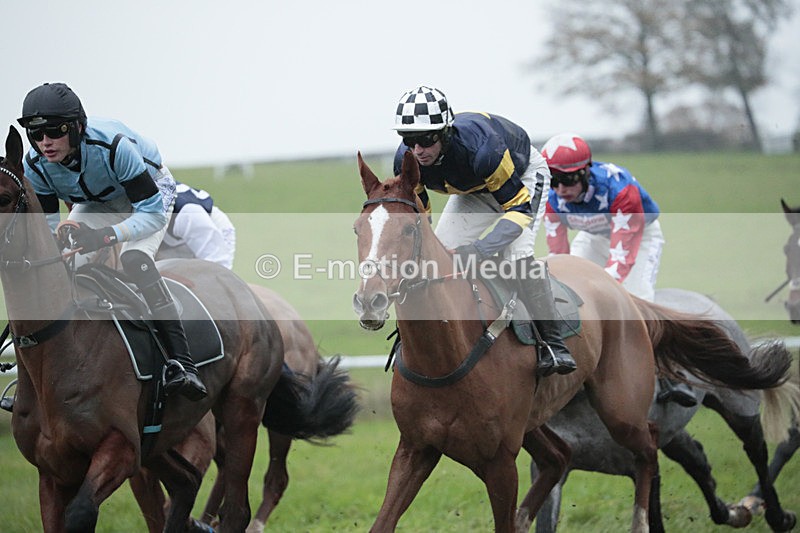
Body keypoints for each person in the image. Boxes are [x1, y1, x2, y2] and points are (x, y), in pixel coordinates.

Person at [16, 82, 206, 401]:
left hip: (149, 196)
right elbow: (48, 231)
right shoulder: (34, 165)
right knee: (59, 265)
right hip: (98, 200)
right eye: (36, 134)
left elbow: (152, 215)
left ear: (76, 127)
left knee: (135, 260)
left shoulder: (114, 147)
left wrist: (105, 236)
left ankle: (183, 365)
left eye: (54, 131)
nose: (45, 142)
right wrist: (59, 247)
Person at [392, 85, 575, 376]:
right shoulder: (407, 160)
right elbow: (421, 217)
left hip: (521, 178)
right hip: (474, 189)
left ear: (445, 133)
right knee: (438, 258)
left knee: (515, 257)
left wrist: (480, 250)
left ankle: (554, 344)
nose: (417, 150)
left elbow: (519, 209)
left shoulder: (484, 151)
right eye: (408, 140)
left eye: (425, 139)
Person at [540, 132, 696, 406]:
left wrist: (603, 293)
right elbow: (558, 255)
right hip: (593, 237)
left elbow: (620, 260)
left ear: (586, 172)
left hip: (638, 236)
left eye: (568, 179)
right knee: (568, 293)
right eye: (554, 180)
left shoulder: (620, 189)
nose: (560, 189)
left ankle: (672, 376)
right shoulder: (550, 198)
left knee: (634, 302)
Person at [156, 181, 236, 269]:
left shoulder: (187, 213)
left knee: (214, 272)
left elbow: (218, 265)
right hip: (170, 237)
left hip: (208, 226)